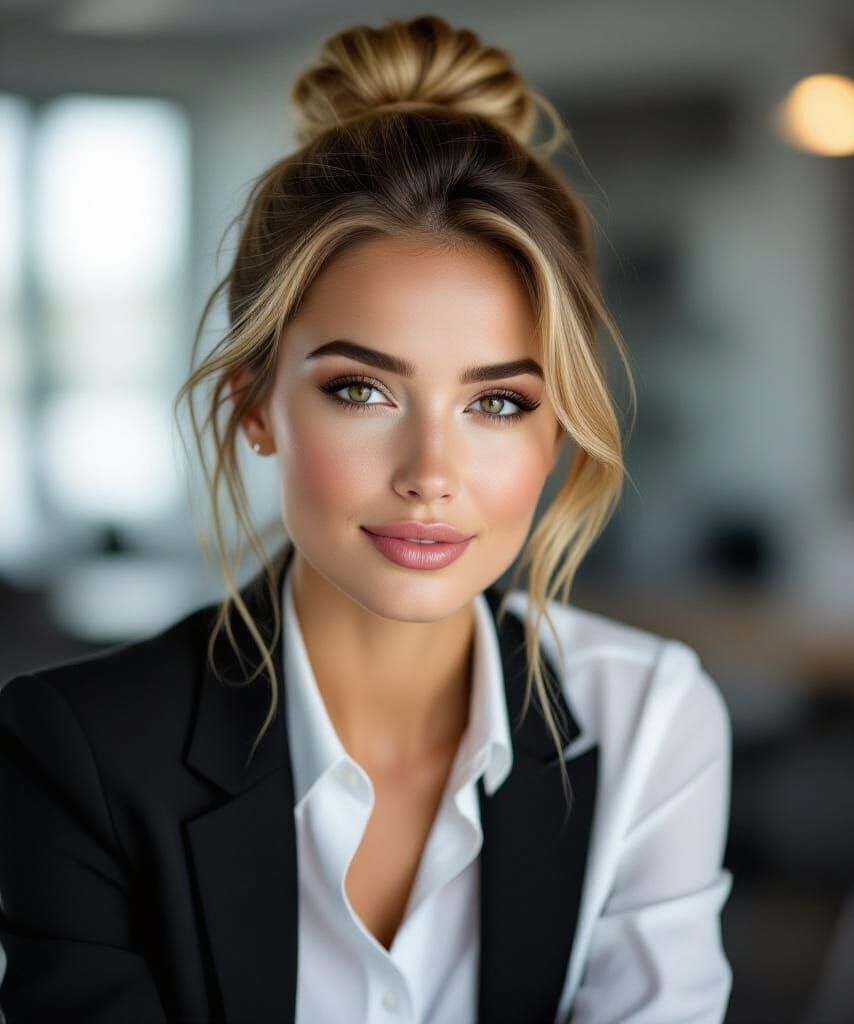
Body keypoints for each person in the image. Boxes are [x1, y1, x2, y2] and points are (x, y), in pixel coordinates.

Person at [0, 15, 733, 1023]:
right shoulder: (78, 750)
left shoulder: (647, 723)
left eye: (498, 402)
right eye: (361, 390)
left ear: (557, 429)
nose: (431, 473)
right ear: (256, 405)